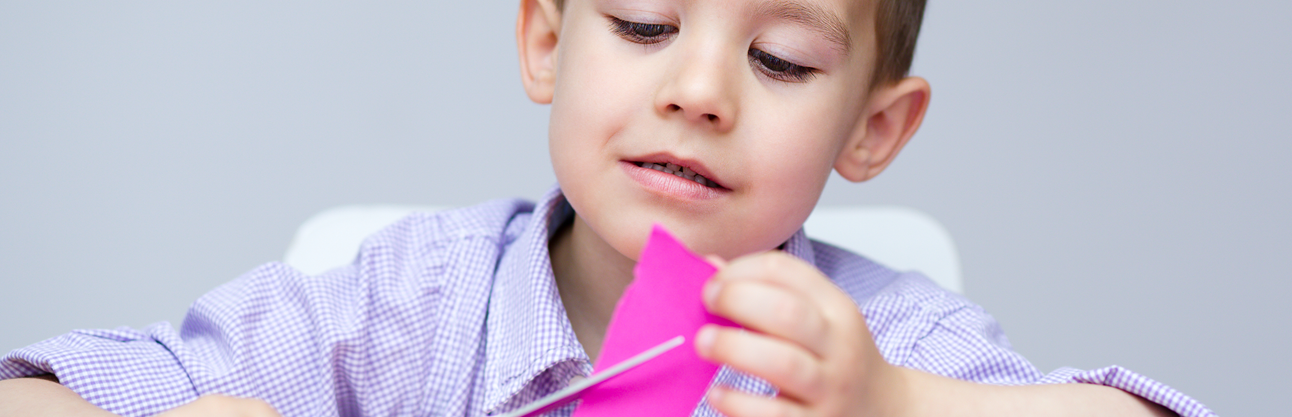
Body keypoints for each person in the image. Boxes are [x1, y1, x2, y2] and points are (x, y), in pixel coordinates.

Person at [0, 0, 1215, 416]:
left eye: (780, 58)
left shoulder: (876, 351)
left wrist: (893, 404)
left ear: (871, 128)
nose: (695, 93)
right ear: (544, 40)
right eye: (643, 24)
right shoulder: (406, 308)